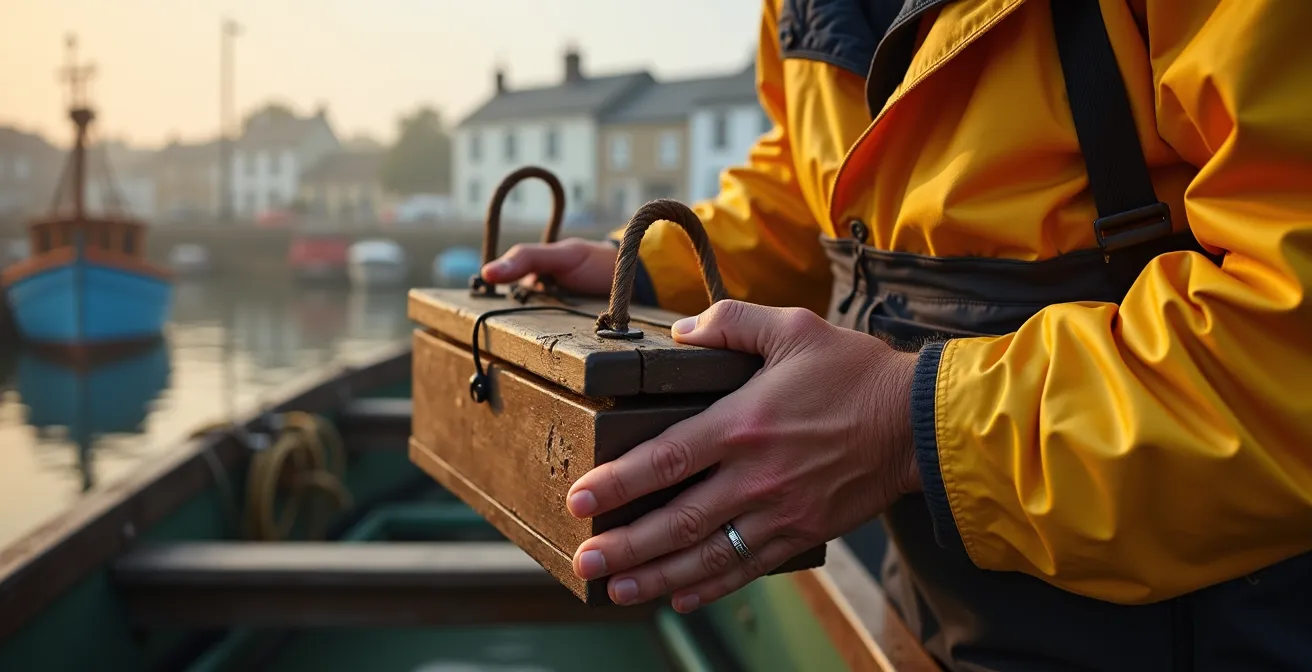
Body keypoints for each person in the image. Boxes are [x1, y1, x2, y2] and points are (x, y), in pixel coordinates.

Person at [480, 1, 1312, 669]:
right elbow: (818, 181)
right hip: (933, 597)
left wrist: (902, 425)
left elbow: (1287, 348)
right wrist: (655, 273)